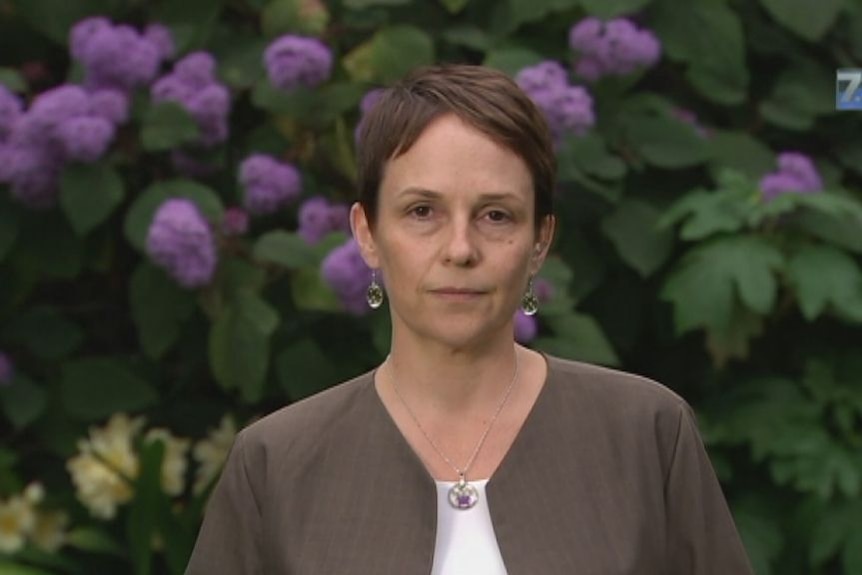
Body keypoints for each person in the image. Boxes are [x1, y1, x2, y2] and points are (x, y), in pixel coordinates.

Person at [185, 64, 754, 574]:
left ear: (540, 242)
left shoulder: (646, 433)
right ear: (368, 234)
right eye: (422, 211)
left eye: (496, 214)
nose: (460, 248)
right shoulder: (275, 464)